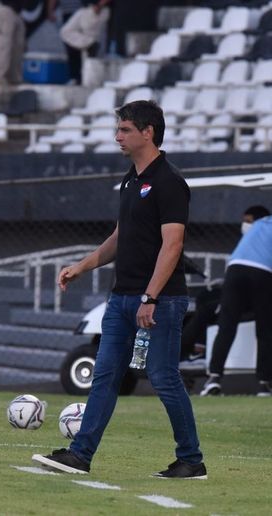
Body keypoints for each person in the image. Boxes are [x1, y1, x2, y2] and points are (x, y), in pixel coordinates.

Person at [33, 100, 206, 479]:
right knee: (106, 374)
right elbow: (120, 236)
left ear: (148, 132)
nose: (117, 136)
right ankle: (80, 455)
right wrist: (82, 265)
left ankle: (191, 459)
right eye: (119, 129)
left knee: (162, 377)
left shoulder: (169, 181)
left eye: (125, 129)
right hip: (121, 297)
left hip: (158, 299)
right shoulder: (132, 178)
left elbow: (172, 245)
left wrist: (151, 297)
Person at [180, 205, 271, 370]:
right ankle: (194, 350)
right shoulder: (253, 239)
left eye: (248, 221)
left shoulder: (261, 234)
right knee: (206, 298)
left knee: (211, 307)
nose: (244, 225)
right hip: (247, 289)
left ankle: (186, 352)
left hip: (256, 295)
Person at [200, 210, 272, 397]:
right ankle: (264, 384)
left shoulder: (260, 223)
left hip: (235, 270)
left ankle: (213, 379)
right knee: (265, 330)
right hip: (263, 273)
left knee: (226, 326)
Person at [59, 0, 110, 85]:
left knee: (91, 67)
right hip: (83, 42)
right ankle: (76, 78)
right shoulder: (83, 13)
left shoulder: (106, 12)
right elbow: (65, 32)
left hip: (95, 44)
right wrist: (87, 42)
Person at [0, 0, 26, 85]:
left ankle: (15, 78)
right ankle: (0, 77)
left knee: (18, 46)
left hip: (17, 11)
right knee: (5, 45)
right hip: (5, 8)